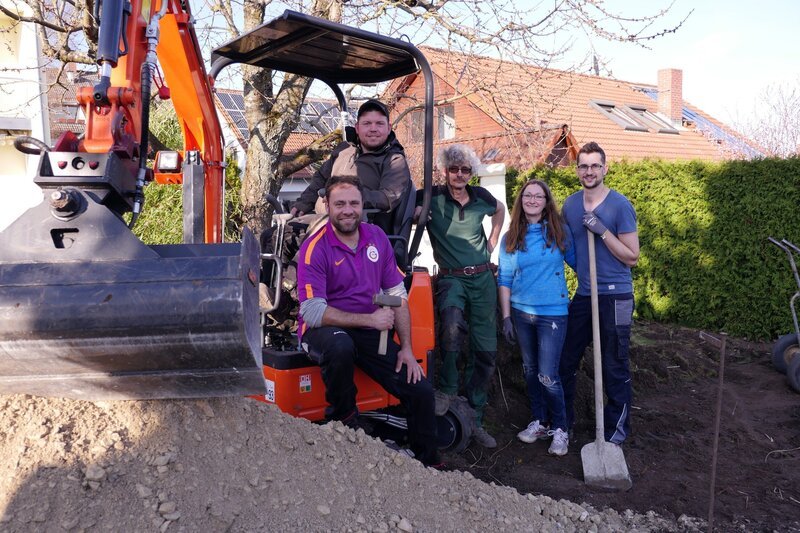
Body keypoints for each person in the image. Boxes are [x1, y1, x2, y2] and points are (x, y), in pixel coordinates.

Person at [296, 174, 440, 467]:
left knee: (421, 390)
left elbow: (397, 295)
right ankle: (345, 418)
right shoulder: (315, 247)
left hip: (366, 328)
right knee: (340, 347)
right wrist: (371, 320)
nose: (347, 210)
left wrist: (407, 349)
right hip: (322, 330)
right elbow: (311, 312)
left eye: (353, 203)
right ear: (327, 205)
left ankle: (428, 462)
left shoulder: (376, 239)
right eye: (339, 204)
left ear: (362, 205)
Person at [415, 144, 505, 449]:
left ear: (471, 173)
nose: (459, 175)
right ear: (445, 171)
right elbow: (406, 211)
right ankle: (447, 390)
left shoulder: (481, 198)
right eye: (454, 169)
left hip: (483, 279)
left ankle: (476, 416)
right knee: (451, 327)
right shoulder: (431, 197)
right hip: (451, 279)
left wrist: (492, 240)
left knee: (485, 350)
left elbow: (501, 210)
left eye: (465, 170)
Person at [559, 141, 640, 445]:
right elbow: (566, 245)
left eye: (595, 166)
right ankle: (564, 424)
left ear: (605, 169)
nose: (589, 171)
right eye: (583, 166)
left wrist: (603, 231)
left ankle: (615, 433)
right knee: (565, 361)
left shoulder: (619, 205)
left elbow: (632, 256)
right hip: (585, 294)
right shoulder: (570, 205)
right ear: (577, 169)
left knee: (614, 364)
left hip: (616, 296)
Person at [497, 179, 575, 456]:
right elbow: (504, 279)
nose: (532, 200)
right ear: (521, 201)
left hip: (552, 312)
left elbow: (578, 264)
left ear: (546, 201)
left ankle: (562, 428)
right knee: (530, 370)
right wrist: (506, 317)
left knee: (547, 374)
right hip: (521, 313)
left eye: (538, 196)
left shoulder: (559, 232)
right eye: (527, 195)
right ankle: (540, 422)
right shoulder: (511, 237)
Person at [290, 98, 412, 238]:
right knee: (277, 236)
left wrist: (348, 198)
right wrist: (303, 203)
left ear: (389, 128)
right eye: (367, 123)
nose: (373, 129)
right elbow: (320, 178)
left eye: (379, 124)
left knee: (299, 243)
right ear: (357, 128)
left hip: (361, 229)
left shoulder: (394, 160)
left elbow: (387, 198)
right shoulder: (343, 149)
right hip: (324, 220)